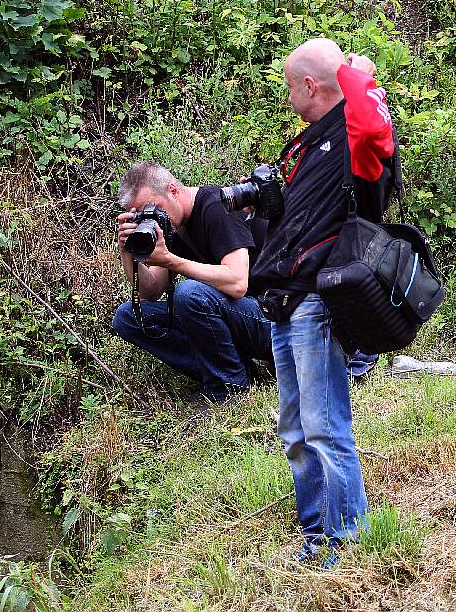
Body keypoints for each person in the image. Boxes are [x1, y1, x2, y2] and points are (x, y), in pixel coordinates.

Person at [249, 38, 397, 564]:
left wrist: (359, 71)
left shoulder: (357, 137)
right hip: (283, 303)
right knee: (294, 430)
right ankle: (317, 535)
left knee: (325, 426)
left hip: (318, 302)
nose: (288, 98)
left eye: (291, 88)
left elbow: (376, 125)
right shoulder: (308, 146)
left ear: (310, 85)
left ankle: (345, 541)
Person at [112, 162, 272, 402]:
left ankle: (228, 388)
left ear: (173, 190)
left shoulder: (216, 206)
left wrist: (170, 260)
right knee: (129, 316)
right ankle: (234, 370)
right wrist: (127, 250)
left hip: (274, 319)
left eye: (153, 209)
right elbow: (150, 292)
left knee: (189, 293)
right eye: (141, 215)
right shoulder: (170, 225)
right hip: (240, 317)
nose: (150, 219)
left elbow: (238, 282)